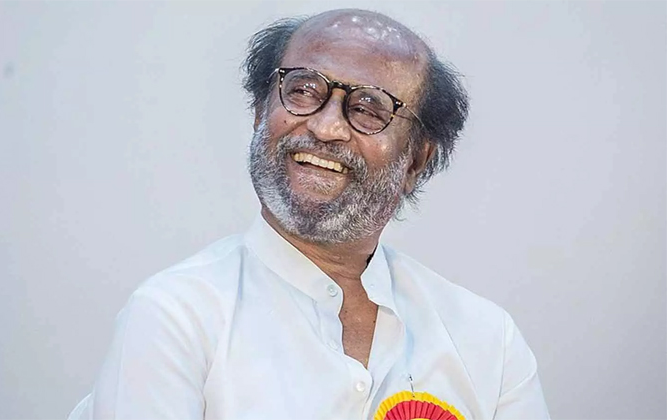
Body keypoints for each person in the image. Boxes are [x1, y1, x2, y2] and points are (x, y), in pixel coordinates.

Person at [69, 8, 550, 420]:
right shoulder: (176, 317)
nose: (325, 127)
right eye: (302, 90)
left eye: (369, 108)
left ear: (416, 162)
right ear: (260, 115)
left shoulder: (488, 342)